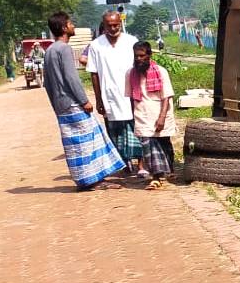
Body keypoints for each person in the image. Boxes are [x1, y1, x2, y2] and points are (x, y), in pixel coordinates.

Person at [42, 12, 125, 190]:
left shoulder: (49, 50)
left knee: (74, 143)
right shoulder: (64, 49)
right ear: (64, 28)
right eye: (70, 23)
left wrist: (56, 105)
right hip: (72, 104)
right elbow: (72, 78)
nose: (73, 26)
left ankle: (84, 178)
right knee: (89, 140)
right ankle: (94, 179)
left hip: (61, 105)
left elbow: (47, 83)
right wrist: (84, 100)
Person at [87, 10, 143, 177]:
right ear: (104, 26)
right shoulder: (96, 46)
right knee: (115, 131)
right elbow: (94, 73)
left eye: (116, 25)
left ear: (121, 23)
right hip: (109, 95)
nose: (113, 28)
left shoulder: (131, 42)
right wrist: (98, 100)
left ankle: (141, 163)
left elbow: (140, 67)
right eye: (109, 26)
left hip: (131, 94)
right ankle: (124, 164)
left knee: (137, 128)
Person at [128, 41, 176, 189]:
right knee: (148, 146)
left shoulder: (160, 71)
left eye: (142, 56)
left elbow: (166, 96)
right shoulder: (130, 73)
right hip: (142, 115)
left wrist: (161, 117)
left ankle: (169, 169)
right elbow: (131, 97)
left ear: (149, 55)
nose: (138, 59)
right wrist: (133, 116)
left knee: (164, 143)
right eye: (136, 56)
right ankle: (156, 177)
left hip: (160, 113)